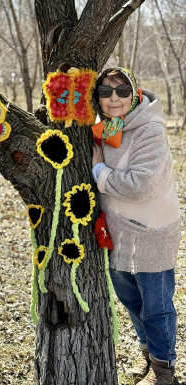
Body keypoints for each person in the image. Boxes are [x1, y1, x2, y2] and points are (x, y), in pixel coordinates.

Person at [92, 67, 180, 385]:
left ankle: (164, 372)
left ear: (136, 93)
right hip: (116, 231)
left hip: (152, 231)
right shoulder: (104, 128)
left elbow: (141, 185)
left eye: (121, 90)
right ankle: (149, 358)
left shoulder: (149, 129)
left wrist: (98, 171)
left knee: (156, 306)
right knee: (132, 301)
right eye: (105, 91)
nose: (114, 97)